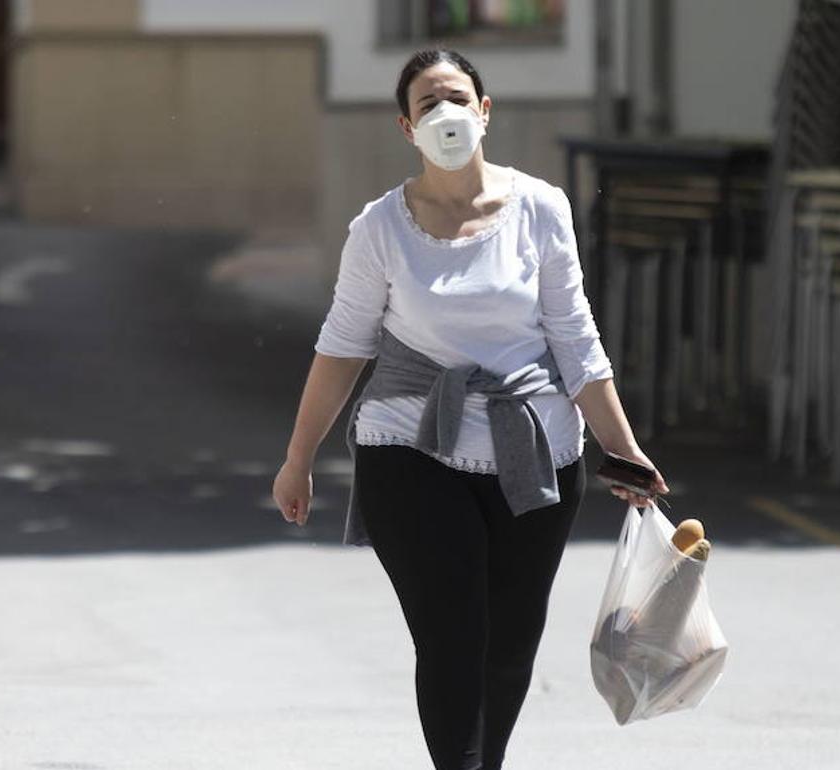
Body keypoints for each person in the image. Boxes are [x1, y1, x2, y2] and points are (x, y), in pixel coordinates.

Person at [272, 48, 670, 770]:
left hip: (538, 452)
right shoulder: (379, 229)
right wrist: (298, 459)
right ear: (406, 127)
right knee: (453, 632)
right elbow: (342, 348)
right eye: (427, 104)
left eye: (457, 98)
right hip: (410, 448)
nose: (445, 113)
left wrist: (624, 447)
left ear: (485, 113)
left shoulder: (541, 209)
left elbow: (577, 342)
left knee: (510, 642)